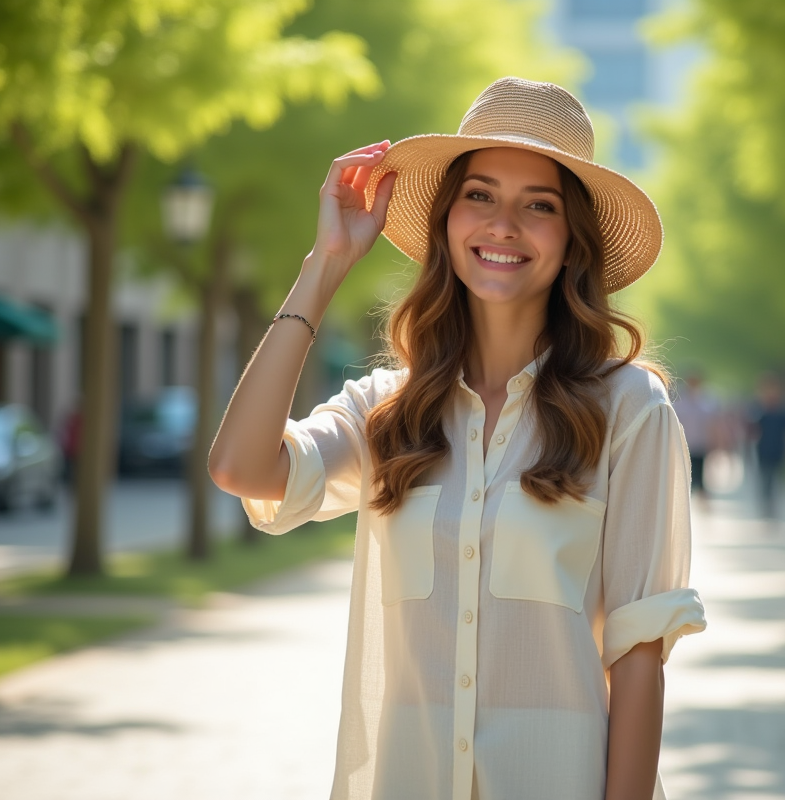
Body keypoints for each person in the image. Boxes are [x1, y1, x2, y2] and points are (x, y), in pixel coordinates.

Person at [209, 77, 706, 800]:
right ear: (447, 220)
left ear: (572, 243)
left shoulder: (630, 408)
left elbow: (637, 656)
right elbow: (240, 466)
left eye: (539, 206)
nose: (503, 224)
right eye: (480, 195)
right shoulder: (390, 410)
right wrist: (325, 267)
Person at [747, 373, 785, 520]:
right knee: (765, 479)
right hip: (763, 450)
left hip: (780, 451)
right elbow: (751, 430)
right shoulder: (759, 409)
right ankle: (767, 505)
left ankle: (773, 504)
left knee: (779, 480)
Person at [672, 371, 721, 499]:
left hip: (701, 444)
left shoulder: (706, 401)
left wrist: (715, 442)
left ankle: (701, 498)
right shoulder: (678, 400)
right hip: (684, 445)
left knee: (701, 475)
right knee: (686, 475)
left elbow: (712, 424)